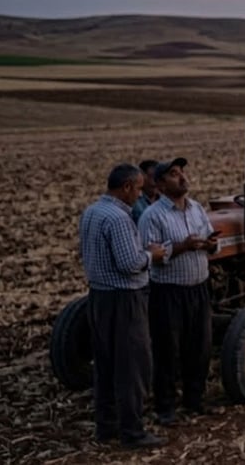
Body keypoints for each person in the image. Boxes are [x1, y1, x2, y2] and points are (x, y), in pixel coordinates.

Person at [78, 163, 167, 449]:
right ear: (126, 187)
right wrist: (152, 255)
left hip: (99, 297)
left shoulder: (92, 211)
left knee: (105, 365)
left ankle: (106, 426)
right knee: (132, 367)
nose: (140, 195)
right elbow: (130, 263)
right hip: (125, 300)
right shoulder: (119, 218)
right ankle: (133, 432)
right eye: (139, 189)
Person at [136, 157, 217, 425]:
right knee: (168, 350)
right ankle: (166, 408)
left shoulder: (197, 209)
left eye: (182, 172)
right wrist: (183, 246)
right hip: (169, 291)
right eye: (174, 174)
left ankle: (195, 400)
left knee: (200, 347)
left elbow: (211, 239)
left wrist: (210, 245)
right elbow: (150, 255)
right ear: (160, 185)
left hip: (199, 288)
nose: (182, 177)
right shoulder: (152, 216)